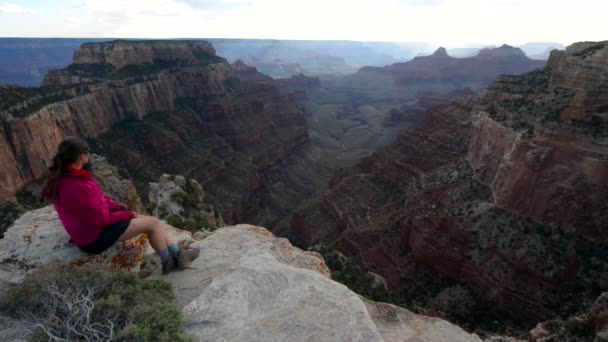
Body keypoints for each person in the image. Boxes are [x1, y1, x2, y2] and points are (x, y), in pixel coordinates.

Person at [41, 136, 199, 274]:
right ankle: (169, 261)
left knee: (150, 220)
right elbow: (98, 219)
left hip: (91, 229)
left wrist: (121, 209)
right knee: (152, 223)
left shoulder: (68, 177)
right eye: (88, 152)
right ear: (82, 156)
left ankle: (177, 255)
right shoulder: (75, 186)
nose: (89, 156)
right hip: (93, 237)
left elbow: (100, 199)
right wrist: (127, 215)